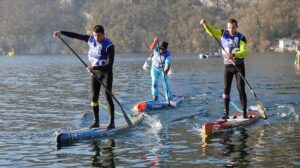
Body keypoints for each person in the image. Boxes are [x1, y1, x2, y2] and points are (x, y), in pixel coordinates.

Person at [53, 25, 115, 129]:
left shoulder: (109, 46)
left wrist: (93, 67)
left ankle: (112, 123)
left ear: (103, 35)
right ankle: (96, 122)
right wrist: (61, 32)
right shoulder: (91, 39)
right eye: (95, 35)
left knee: (107, 97)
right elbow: (76, 36)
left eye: (99, 36)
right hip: (95, 73)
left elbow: (109, 65)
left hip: (106, 73)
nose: (96, 38)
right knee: (94, 98)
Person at [200, 18, 248, 120]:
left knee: (241, 88)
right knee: (226, 90)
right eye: (229, 27)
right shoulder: (223, 33)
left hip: (238, 66)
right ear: (227, 27)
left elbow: (244, 52)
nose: (231, 29)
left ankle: (244, 112)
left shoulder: (241, 37)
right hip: (227, 66)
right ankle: (226, 113)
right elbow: (211, 31)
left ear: (237, 27)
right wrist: (205, 24)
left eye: (233, 27)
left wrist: (234, 54)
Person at [148, 38, 174, 106]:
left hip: (162, 69)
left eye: (163, 49)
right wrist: (154, 42)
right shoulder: (156, 48)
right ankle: (155, 97)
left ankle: (169, 99)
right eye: (160, 48)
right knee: (154, 82)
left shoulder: (167, 55)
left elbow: (168, 64)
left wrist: (166, 71)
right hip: (154, 68)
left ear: (166, 49)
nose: (161, 50)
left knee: (165, 84)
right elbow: (150, 49)